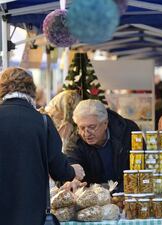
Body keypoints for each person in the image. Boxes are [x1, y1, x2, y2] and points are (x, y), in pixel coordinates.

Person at [0, 67, 84, 225]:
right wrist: (73, 170)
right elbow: (59, 170)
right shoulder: (43, 122)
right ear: (32, 90)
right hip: (30, 212)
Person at [65, 99, 141, 190]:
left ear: (105, 123)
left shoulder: (128, 131)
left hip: (128, 194)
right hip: (94, 198)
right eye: (81, 128)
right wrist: (70, 177)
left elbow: (142, 164)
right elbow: (69, 161)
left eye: (92, 127)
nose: (86, 133)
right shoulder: (76, 141)